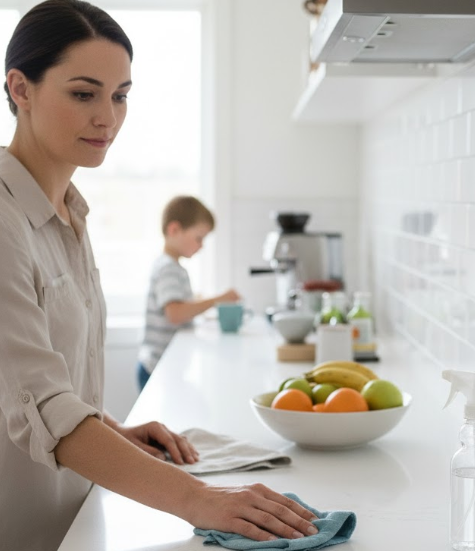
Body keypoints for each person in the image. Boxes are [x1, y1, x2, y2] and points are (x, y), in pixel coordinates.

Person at [0, 2, 318, 550]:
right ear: (20, 89)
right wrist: (201, 500)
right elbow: (41, 403)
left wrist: (111, 429)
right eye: (84, 93)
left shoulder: (70, 214)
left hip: (75, 519)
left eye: (120, 95)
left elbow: (37, 382)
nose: (108, 117)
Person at [137, 195, 240, 391]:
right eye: (199, 238)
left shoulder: (171, 266)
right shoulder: (168, 268)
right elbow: (175, 313)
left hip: (160, 364)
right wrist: (219, 299)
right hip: (156, 367)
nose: (201, 245)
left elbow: (177, 306)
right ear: (174, 230)